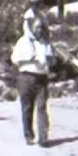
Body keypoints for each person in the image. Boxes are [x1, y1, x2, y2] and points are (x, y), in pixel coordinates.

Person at [10, 18, 54, 146]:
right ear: (31, 28)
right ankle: (28, 135)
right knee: (27, 108)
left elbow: (51, 61)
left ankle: (43, 137)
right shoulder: (23, 42)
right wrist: (30, 60)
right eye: (36, 27)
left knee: (41, 107)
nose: (39, 30)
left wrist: (50, 60)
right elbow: (15, 60)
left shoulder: (45, 43)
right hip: (26, 77)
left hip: (42, 78)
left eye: (41, 27)